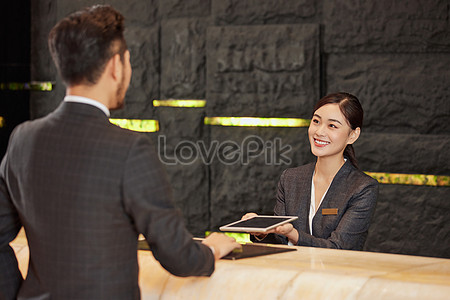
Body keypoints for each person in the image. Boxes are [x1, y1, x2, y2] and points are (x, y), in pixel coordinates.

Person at [0, 5, 240, 299]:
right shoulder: (129, 149)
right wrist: (212, 248)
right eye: (128, 61)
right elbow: (178, 256)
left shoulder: (22, 139)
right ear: (116, 65)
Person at [243, 92, 378, 250]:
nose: (319, 132)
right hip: (291, 272)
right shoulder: (291, 178)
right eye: (316, 121)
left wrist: (294, 234)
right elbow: (280, 241)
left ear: (353, 135)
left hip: (337, 274)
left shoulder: (362, 188)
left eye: (332, 126)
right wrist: (261, 231)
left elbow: (339, 248)